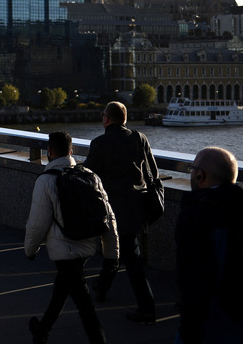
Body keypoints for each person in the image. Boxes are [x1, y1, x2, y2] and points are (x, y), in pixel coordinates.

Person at [25, 131, 117, 344]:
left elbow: (37, 223)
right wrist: (112, 255)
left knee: (83, 301)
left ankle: (98, 339)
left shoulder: (46, 181)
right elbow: (109, 217)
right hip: (85, 245)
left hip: (64, 250)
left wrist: (30, 250)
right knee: (63, 290)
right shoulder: (90, 176)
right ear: (71, 150)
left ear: (49, 151)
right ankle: (41, 331)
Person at [175, 146, 243, 343]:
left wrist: (189, 328)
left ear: (201, 175)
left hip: (215, 317)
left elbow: (193, 280)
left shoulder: (197, 216)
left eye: (192, 169)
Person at [84, 100, 158, 324]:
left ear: (107, 119)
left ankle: (147, 308)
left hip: (112, 208)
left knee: (130, 257)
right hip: (136, 206)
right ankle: (101, 287)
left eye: (103, 115)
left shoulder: (99, 143)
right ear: (124, 119)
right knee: (120, 249)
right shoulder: (139, 138)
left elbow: (89, 175)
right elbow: (152, 172)